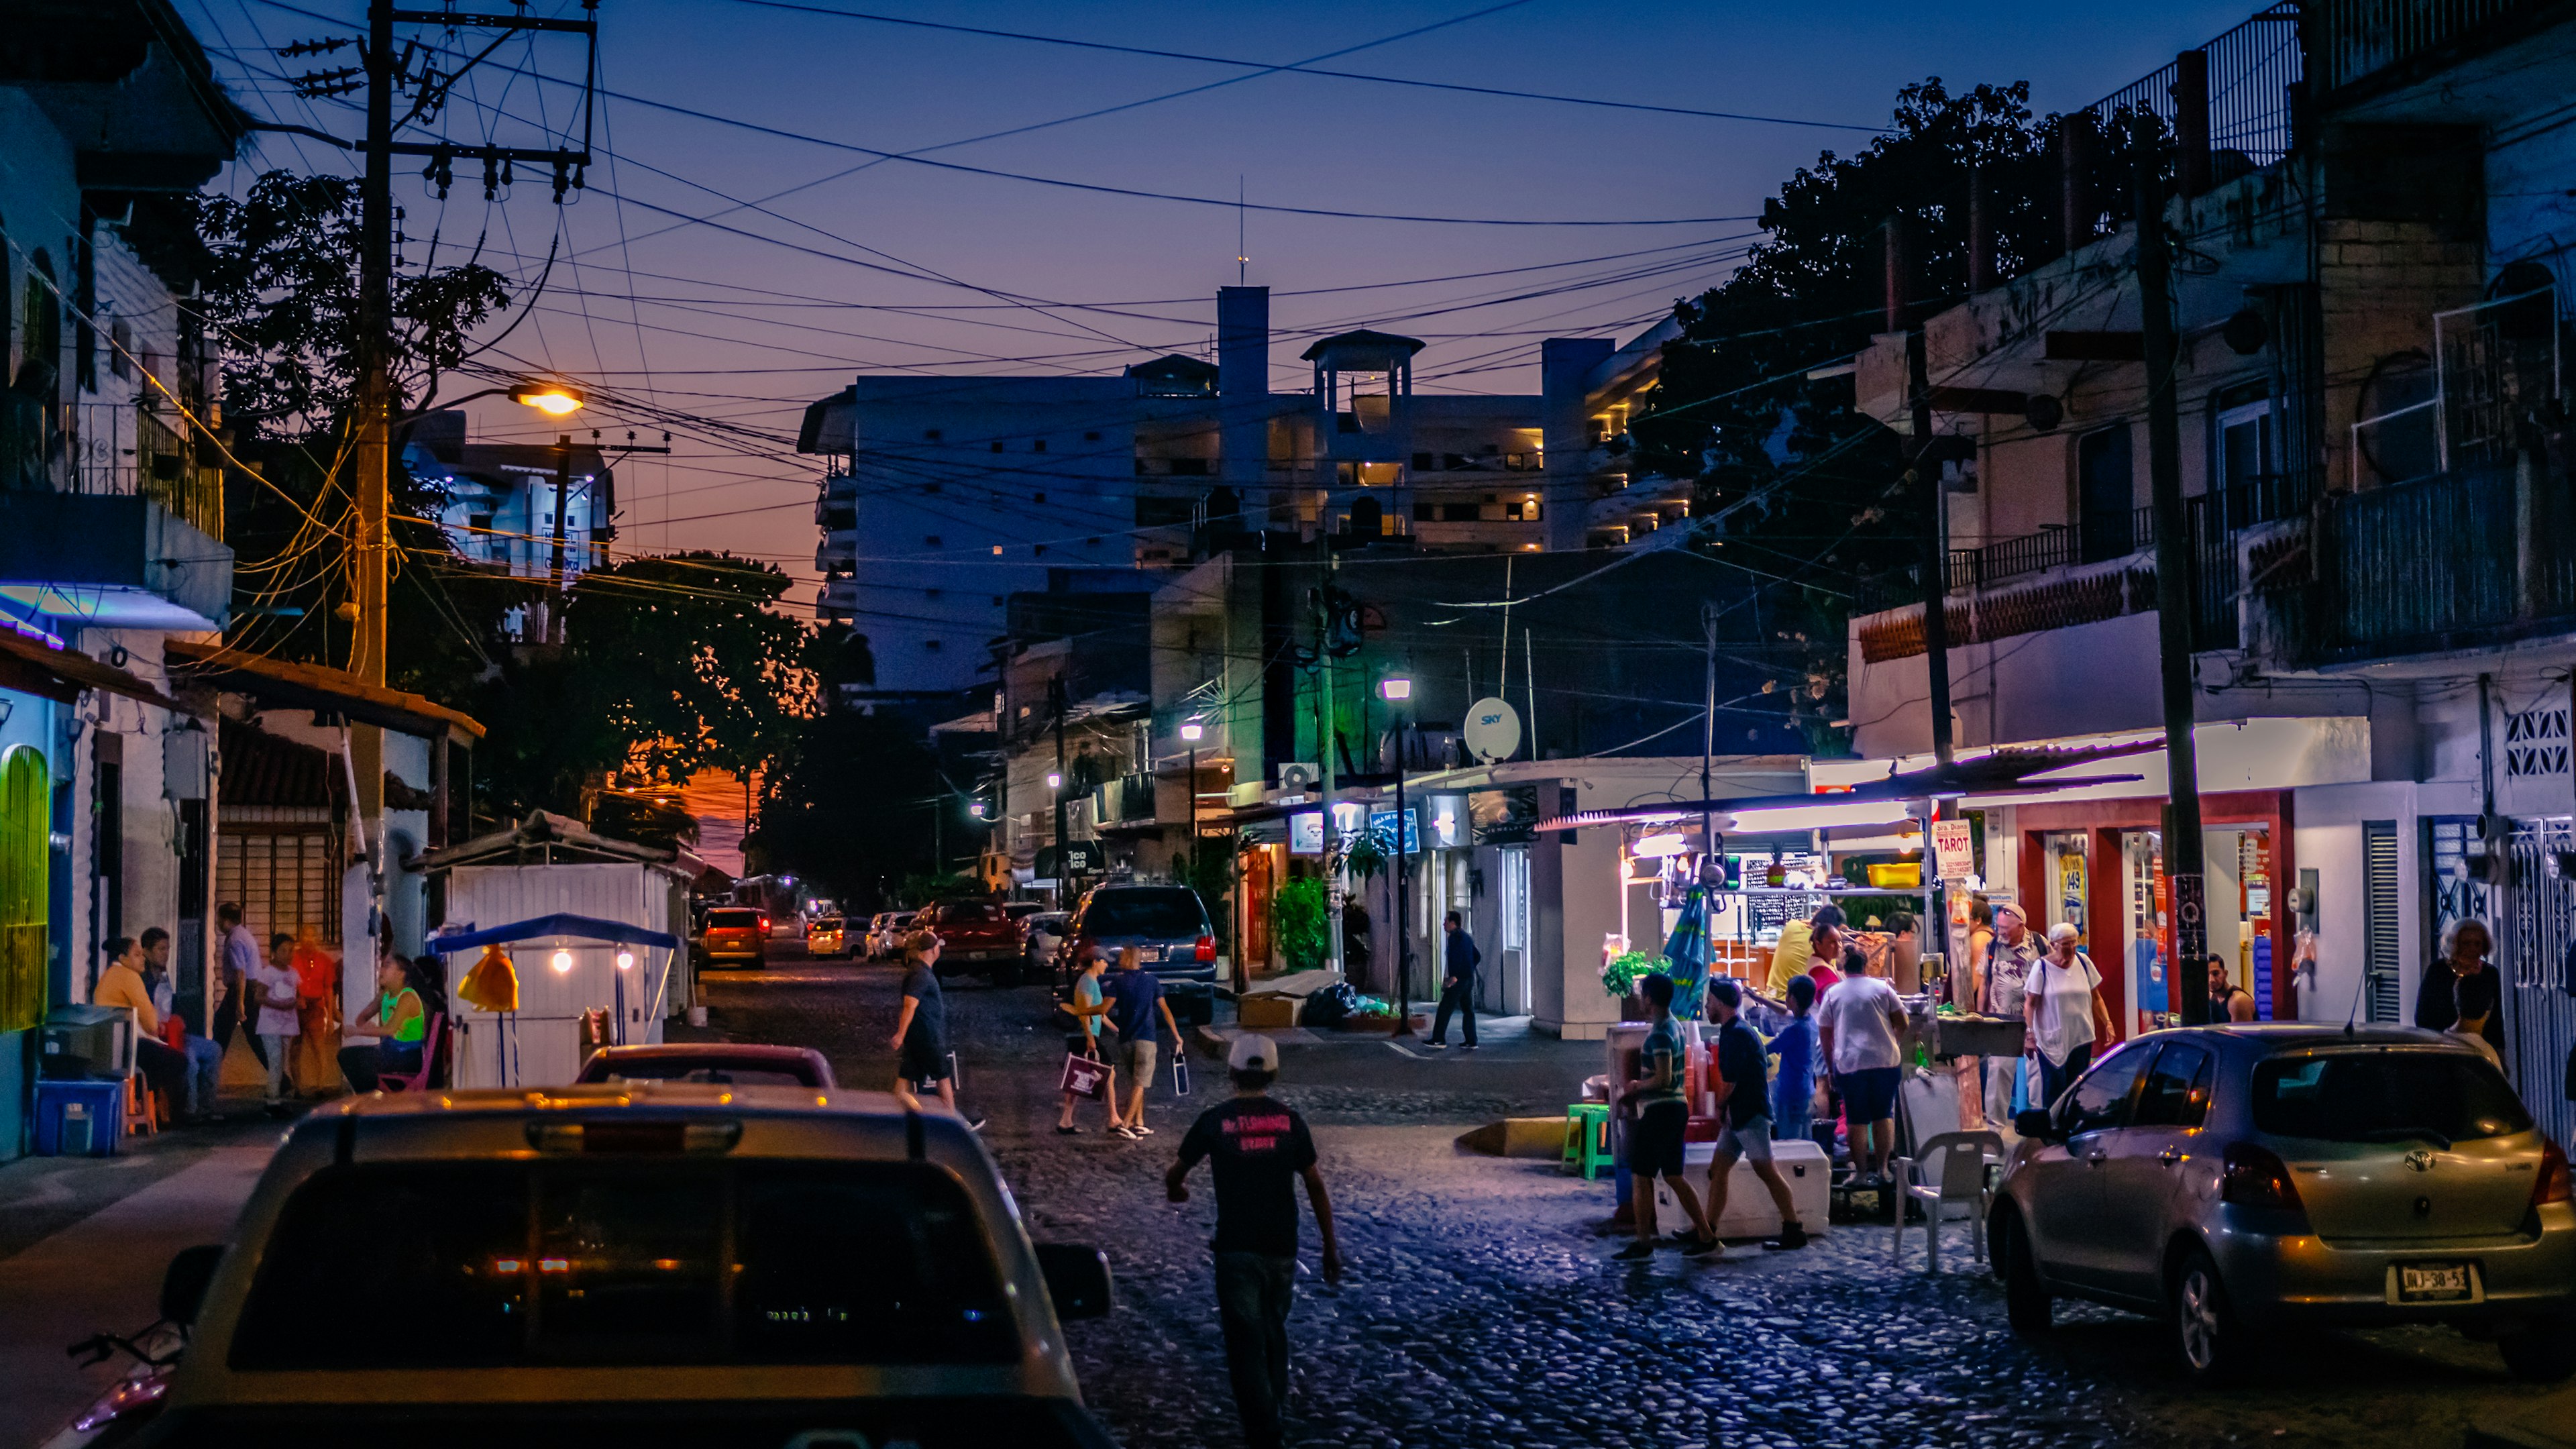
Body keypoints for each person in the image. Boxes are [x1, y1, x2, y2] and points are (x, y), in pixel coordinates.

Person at [1165, 1034, 1341, 1449]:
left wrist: (1177, 1191)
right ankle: (1273, 1408)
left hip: (1236, 1247)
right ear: (1274, 1074)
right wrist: (1330, 1245)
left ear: (1231, 1072)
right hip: (1282, 1245)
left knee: (1244, 1342)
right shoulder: (1290, 1122)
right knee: (1273, 1331)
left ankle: (1264, 1428)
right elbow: (1315, 1184)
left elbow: (1177, 1172)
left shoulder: (1214, 1121)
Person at [1615, 973, 1717, 1260]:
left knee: (1641, 1174)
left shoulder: (1661, 1033)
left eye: (1642, 995)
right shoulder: (1675, 1026)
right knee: (1674, 1176)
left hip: (1661, 1110)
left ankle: (1644, 1241)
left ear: (1650, 998)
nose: (1640, 1000)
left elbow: (1662, 1078)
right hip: (1676, 1109)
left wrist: (1636, 1086)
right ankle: (1707, 1235)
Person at [1705, 979, 1810, 1252]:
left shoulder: (1736, 1034)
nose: (1706, 1006)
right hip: (1739, 1114)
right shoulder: (1736, 1030)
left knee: (1767, 1171)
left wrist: (1719, 1106)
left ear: (1721, 1003)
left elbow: (1731, 1081)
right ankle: (1706, 1231)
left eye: (1709, 1001)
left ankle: (1793, 1228)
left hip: (1749, 1114)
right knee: (1718, 1170)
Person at [1817, 936, 1909, 1183]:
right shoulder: (1882, 989)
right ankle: (1883, 1170)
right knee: (1883, 1116)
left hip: (1851, 1064)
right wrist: (1892, 1041)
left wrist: (1830, 1068)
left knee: (1856, 1120)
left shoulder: (1833, 994)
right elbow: (1903, 1022)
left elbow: (1826, 1036)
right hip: (1886, 1062)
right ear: (1866, 966)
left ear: (1843, 968)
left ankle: (1859, 1173)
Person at [890, 930, 980, 1128]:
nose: (940, 949)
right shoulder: (920, 974)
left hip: (919, 1035)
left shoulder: (919, 971)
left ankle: (893, 1118)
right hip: (927, 1036)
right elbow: (910, 1004)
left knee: (906, 1076)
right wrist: (900, 1034)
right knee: (943, 1076)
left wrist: (904, 1034)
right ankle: (953, 1123)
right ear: (931, 950)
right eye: (938, 946)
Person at [95, 937, 191, 1118]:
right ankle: (144, 1101)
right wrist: (155, 1029)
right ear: (123, 958)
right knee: (179, 1061)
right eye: (137, 955)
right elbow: (148, 1016)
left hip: (109, 1044)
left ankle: (141, 1101)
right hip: (126, 1046)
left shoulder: (110, 975)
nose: (142, 959)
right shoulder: (129, 976)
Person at [139, 927, 223, 1120]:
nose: (166, 954)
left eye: (167, 949)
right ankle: (190, 1111)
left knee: (214, 1050)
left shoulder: (166, 975)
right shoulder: (143, 979)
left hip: (176, 1032)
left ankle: (206, 1108)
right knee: (190, 1061)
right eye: (161, 949)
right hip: (157, 1036)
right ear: (147, 952)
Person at [2027, 922, 2114, 1110]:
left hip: (2081, 1035)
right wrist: (2029, 1034)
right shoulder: (2041, 967)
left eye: (2074, 943)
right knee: (2055, 1089)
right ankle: (2052, 1133)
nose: (2072, 948)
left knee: (2078, 1088)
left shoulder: (2083, 962)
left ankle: (2072, 1128)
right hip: (2052, 1040)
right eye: (2066, 944)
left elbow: (2096, 997)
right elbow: (2030, 1003)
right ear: (2053, 944)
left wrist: (2107, 1022)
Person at [1107, 945, 1183, 1140]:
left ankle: (1139, 1122)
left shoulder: (1118, 982)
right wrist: (1176, 1035)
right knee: (1141, 1082)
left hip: (1126, 1039)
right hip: (1147, 1038)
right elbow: (1165, 1010)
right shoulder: (1151, 982)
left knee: (1136, 1082)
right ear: (1140, 959)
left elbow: (1104, 1009)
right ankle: (1126, 1123)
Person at [1981, 902, 2039, 1128]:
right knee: (1999, 1076)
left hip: (2035, 1021)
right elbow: (1985, 983)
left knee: (2037, 1077)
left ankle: (2038, 1128)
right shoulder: (1993, 946)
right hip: (2002, 1022)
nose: (2001, 932)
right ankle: (1994, 1131)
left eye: (2006, 928)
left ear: (2021, 926)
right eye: (1999, 927)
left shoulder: (2039, 945)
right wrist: (1983, 1018)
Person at [2416, 916, 2506, 1063]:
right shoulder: (2437, 971)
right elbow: (2423, 1017)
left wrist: (2500, 1054)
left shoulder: (2490, 974)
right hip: (2443, 1049)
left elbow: (2496, 1020)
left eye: (2478, 944)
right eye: (2466, 943)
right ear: (2454, 944)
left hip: (2481, 1051)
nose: (2472, 949)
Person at [339, 951, 427, 1092]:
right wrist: (365, 1026)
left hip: (406, 1057)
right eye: (382, 966)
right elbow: (361, 1018)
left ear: (401, 974)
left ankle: (372, 1099)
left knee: (356, 1058)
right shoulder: (384, 994)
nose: (381, 970)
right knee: (348, 1055)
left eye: (387, 966)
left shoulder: (408, 997)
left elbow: (389, 1030)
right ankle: (371, 1096)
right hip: (391, 1052)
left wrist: (357, 1031)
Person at [1057, 943, 1118, 1134]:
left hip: (1083, 1035)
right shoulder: (1087, 982)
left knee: (1078, 1078)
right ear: (1096, 962)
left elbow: (1098, 1013)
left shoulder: (1091, 981)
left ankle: (1066, 1121)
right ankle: (1114, 1118)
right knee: (1108, 1071)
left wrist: (1116, 1029)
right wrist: (1090, 1038)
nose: (1107, 966)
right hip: (1084, 1035)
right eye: (1105, 962)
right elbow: (1084, 1013)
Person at [246, 932, 301, 1115]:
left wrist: (298, 1003)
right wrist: (280, 1004)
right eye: (283, 950)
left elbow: (297, 994)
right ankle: (272, 1102)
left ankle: (277, 1098)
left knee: (283, 1062)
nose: (288, 955)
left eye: (291, 950)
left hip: (287, 1023)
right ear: (274, 953)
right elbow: (258, 997)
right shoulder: (268, 973)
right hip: (270, 1024)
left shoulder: (294, 974)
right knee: (275, 1060)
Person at [1767, 973, 1821, 1147]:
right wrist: (1756, 998)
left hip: (1790, 1094)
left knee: (1790, 1145)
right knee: (1805, 1143)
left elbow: (1768, 1049)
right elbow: (1784, 1012)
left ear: (1791, 998)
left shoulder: (1795, 1030)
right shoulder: (1810, 1023)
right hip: (1806, 1092)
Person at [211, 902, 267, 1069]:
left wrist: (240, 1003)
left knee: (221, 1027)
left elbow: (240, 972)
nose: (218, 922)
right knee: (253, 1035)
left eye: (219, 918)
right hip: (250, 988)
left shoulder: (235, 940)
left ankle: (210, 1073)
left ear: (226, 920)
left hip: (242, 990)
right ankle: (280, 1079)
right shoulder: (243, 935)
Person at [1765, 903, 1846, 998]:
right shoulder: (1824, 948)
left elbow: (1807, 923)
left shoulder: (1792, 926)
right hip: (1793, 1006)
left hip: (1770, 999)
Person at [1428, 910, 1480, 1050]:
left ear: (1453, 923)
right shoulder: (1467, 938)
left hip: (1459, 980)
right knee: (1468, 1009)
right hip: (1468, 979)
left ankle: (1439, 1039)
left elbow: (1457, 959)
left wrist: (1454, 977)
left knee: (1445, 1008)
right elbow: (1477, 956)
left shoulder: (1456, 939)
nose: (1444, 924)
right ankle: (1471, 1040)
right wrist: (1469, 970)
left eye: (1446, 921)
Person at [2207, 955, 2257, 1024]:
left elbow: (2241, 1034)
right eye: (2206, 975)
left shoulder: (2238, 1001)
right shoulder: (2212, 998)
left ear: (2225, 974)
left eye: (2216, 974)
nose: (2211, 980)